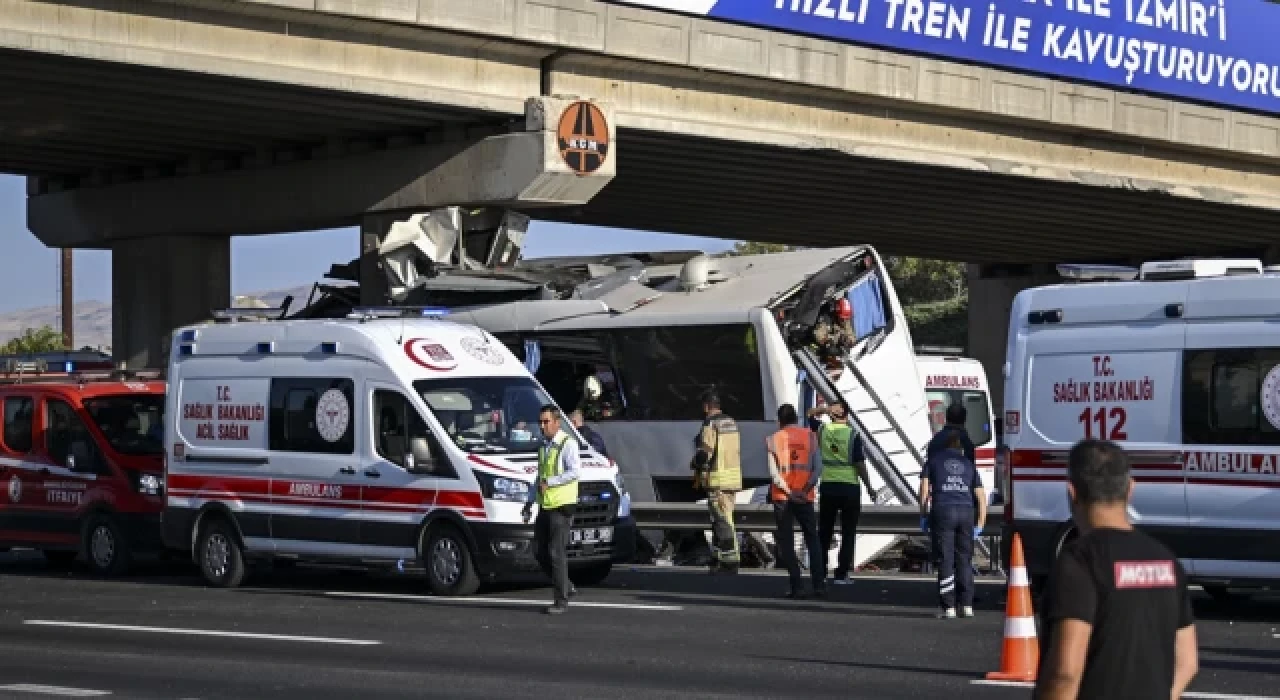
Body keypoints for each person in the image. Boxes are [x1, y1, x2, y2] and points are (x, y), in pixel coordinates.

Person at [1033, 440, 1198, 700]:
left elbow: (1065, 673)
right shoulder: (1166, 561)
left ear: (1072, 493)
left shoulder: (1080, 562)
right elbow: (1188, 660)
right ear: (1130, 489)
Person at [919, 428, 986, 618]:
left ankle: (948, 607)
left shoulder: (933, 461)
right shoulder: (969, 465)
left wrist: (924, 515)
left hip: (943, 511)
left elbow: (924, 489)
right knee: (964, 559)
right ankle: (967, 605)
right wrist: (980, 523)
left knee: (945, 559)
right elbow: (981, 497)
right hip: (966, 512)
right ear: (960, 448)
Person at [522, 405, 580, 615]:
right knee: (538, 551)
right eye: (540, 422)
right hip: (546, 505)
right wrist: (529, 502)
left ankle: (561, 600)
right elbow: (539, 477)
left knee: (556, 553)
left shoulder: (567, 444)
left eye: (546, 422)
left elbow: (575, 472)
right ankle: (566, 586)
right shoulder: (544, 446)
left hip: (562, 506)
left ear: (557, 422)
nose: (542, 426)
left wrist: (552, 482)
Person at [807, 401, 870, 584]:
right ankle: (842, 574)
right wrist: (869, 486)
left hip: (828, 486)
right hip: (849, 487)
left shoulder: (823, 430)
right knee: (848, 532)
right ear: (848, 415)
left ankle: (821, 573)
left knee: (824, 531)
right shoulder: (853, 435)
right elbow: (860, 464)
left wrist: (825, 410)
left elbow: (810, 414)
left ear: (832, 415)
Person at [767, 404, 825, 598]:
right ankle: (819, 585)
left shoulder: (773, 440)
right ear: (796, 418)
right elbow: (817, 469)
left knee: (787, 543)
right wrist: (804, 490)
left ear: (779, 420)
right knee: (812, 540)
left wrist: (790, 492)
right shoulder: (810, 436)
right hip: (805, 497)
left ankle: (797, 586)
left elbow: (774, 475)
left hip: (783, 498)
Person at [691, 389, 742, 574]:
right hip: (733, 478)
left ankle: (729, 560)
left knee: (721, 521)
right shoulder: (731, 422)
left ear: (706, 406)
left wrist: (695, 463)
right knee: (727, 519)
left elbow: (705, 453)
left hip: (717, 479)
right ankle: (722, 558)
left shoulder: (710, 424)